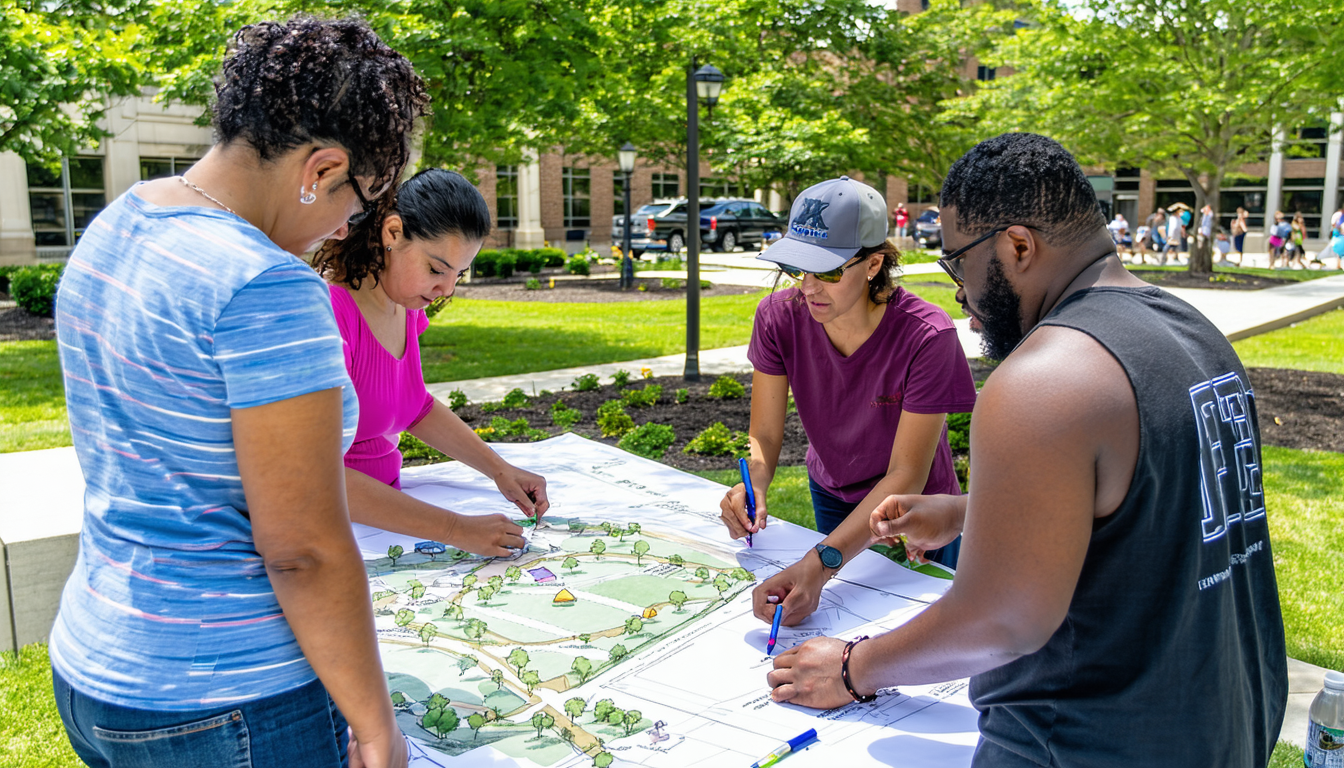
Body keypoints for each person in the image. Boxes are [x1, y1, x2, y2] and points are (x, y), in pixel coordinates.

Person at [764, 133, 1287, 767]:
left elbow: (1003, 619)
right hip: (1218, 723)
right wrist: (968, 513)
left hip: (1080, 740)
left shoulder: (1044, 379)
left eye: (958, 263)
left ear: (1017, 246)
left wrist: (852, 667)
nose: (957, 293)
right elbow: (1149, 510)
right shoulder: (1191, 333)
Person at [50, 17, 429, 768]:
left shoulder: (118, 221)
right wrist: (376, 724)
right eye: (354, 207)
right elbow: (303, 549)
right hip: (228, 698)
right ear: (321, 168)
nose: (337, 231)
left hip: (95, 663)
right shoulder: (266, 285)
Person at [718, 175, 977, 614]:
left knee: (917, 619)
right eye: (798, 269)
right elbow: (763, 431)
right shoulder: (777, 318)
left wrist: (820, 564)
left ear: (874, 264)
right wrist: (755, 481)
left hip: (917, 508)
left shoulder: (927, 335)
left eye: (829, 271)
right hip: (832, 491)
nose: (808, 287)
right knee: (843, 615)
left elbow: (906, 474)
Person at [314, 169, 549, 555]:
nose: (446, 290)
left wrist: (499, 469)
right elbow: (318, 476)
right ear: (392, 233)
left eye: (458, 274)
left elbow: (415, 407)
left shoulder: (403, 305)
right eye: (437, 269)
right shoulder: (328, 317)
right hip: (338, 533)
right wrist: (456, 529)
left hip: (385, 522)